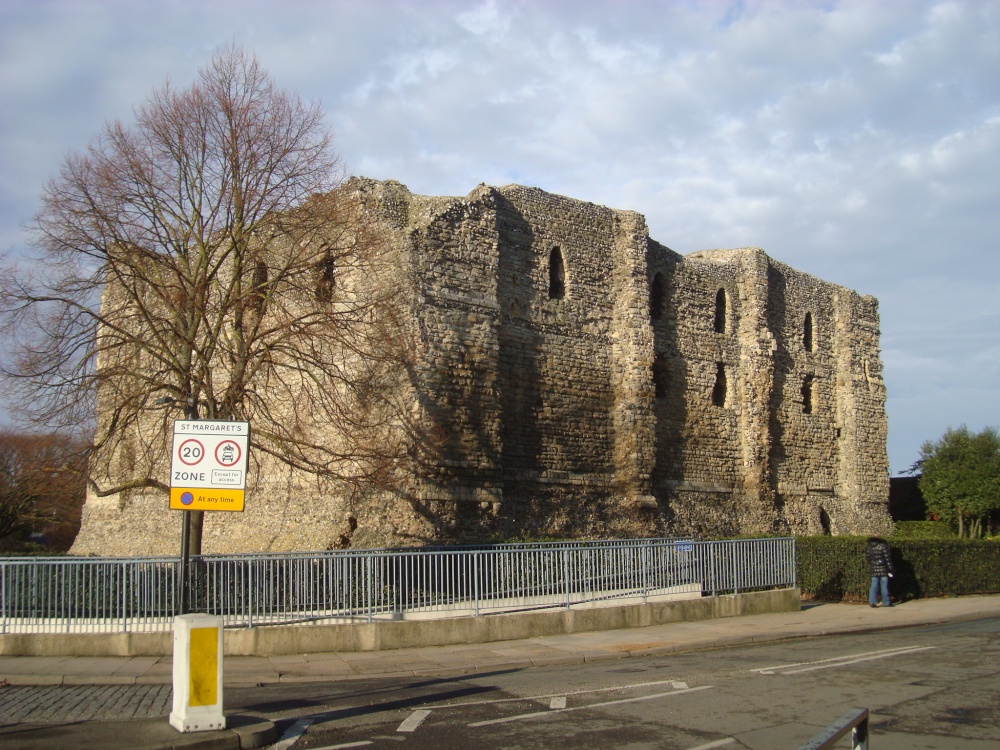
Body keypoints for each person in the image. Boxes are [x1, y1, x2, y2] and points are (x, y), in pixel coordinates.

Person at [864, 536, 894, 608]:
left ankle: (872, 602)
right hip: (883, 568)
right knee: (884, 585)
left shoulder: (869, 547)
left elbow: (868, 558)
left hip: (874, 568)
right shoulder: (883, 546)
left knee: (874, 585)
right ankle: (886, 602)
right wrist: (890, 569)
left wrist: (873, 563)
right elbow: (887, 559)